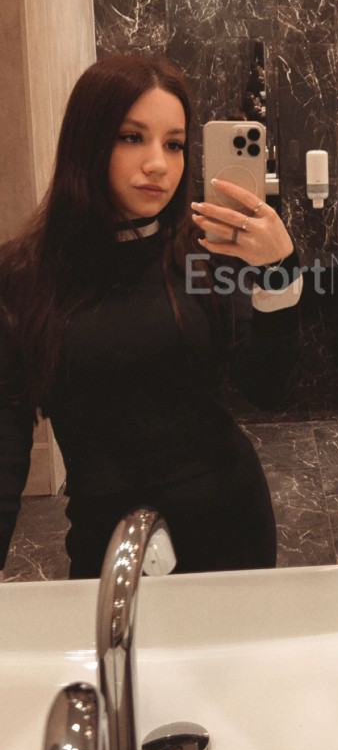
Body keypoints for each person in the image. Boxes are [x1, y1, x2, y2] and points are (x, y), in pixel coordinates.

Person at [0, 54, 302, 579]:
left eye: (174, 144)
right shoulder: (26, 276)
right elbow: (4, 447)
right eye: (132, 137)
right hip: (108, 544)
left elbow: (267, 387)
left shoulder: (205, 254)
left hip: (232, 530)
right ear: (87, 141)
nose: (158, 163)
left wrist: (280, 274)